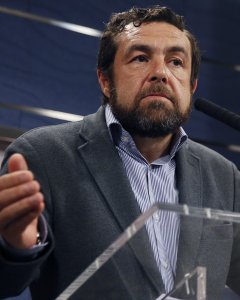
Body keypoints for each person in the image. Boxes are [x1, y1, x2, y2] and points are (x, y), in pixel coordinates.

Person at [0, 5, 240, 300]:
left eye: (176, 62)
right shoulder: (43, 155)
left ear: (191, 87)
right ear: (105, 80)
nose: (161, 73)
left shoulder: (224, 175)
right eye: (141, 58)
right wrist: (15, 247)